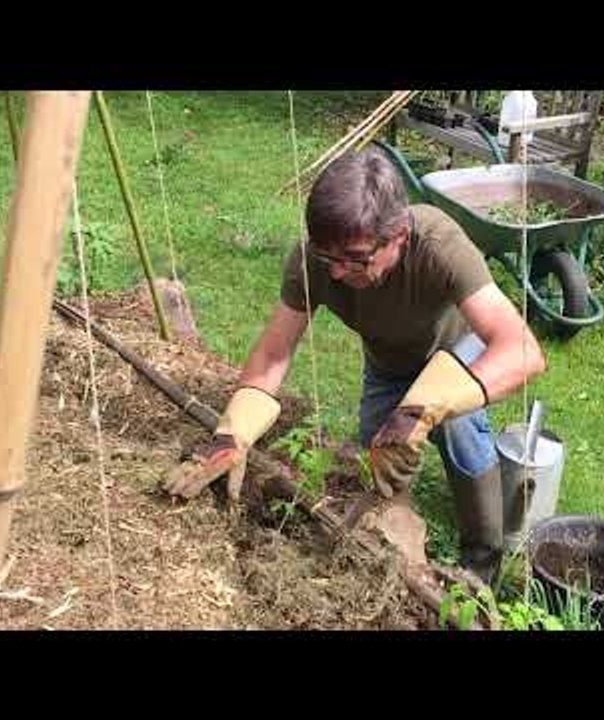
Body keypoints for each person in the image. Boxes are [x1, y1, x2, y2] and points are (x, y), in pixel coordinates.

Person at [164, 145, 546, 583]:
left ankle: (481, 567)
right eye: (330, 258)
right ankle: (408, 569)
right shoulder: (316, 261)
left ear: (399, 235)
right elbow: (273, 353)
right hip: (387, 363)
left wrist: (423, 409)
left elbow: (521, 350)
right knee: (380, 459)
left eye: (356, 258)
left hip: (457, 355)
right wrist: (232, 434)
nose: (340, 273)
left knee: (464, 438)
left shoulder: (439, 245)